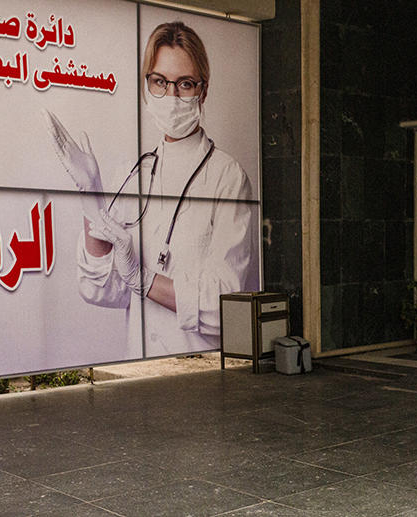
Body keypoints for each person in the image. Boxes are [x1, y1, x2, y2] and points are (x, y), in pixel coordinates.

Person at [45, 21, 258, 356]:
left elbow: (225, 307)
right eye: (160, 81)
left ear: (203, 90)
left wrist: (143, 279)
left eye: (185, 84)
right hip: (140, 366)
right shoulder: (133, 173)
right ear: (147, 86)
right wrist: (91, 195)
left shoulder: (227, 177)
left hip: (200, 371)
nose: (171, 96)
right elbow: (101, 290)